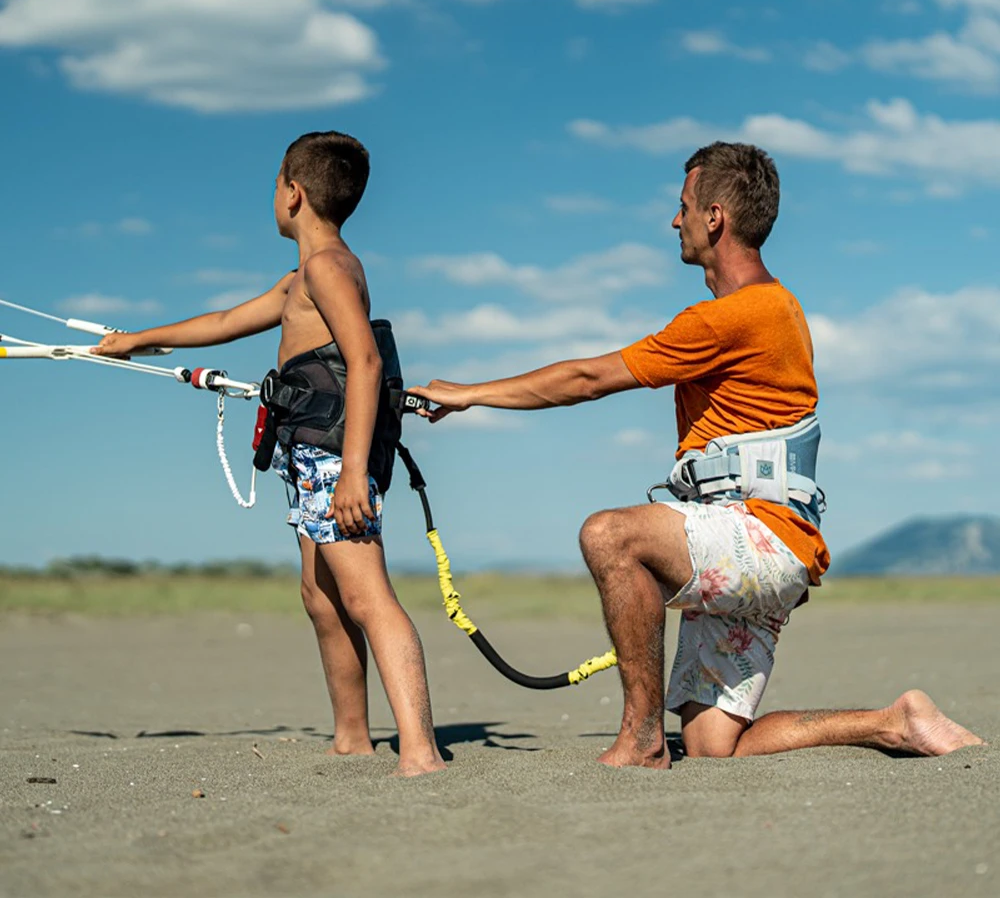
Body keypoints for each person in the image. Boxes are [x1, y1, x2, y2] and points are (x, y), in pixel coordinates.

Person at [410, 141, 983, 769]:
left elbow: (587, 379)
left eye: (682, 206)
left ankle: (640, 738)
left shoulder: (738, 315)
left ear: (715, 217)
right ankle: (896, 722)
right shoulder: (778, 307)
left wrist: (467, 395)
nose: (672, 221)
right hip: (763, 544)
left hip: (757, 538)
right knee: (714, 745)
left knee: (610, 536)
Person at [92, 131, 445, 776]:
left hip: (339, 458)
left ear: (292, 192)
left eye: (273, 185)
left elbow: (363, 361)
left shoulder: (330, 268)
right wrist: (137, 340)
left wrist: (355, 475)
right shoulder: (302, 277)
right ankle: (352, 737)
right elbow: (225, 321)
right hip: (307, 454)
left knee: (369, 597)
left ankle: (420, 754)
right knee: (320, 595)